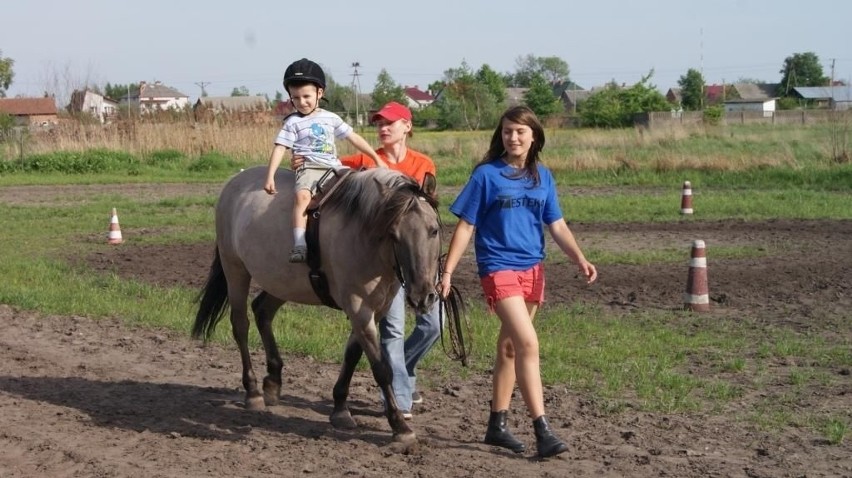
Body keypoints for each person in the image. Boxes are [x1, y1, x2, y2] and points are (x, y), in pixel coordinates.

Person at [438, 106, 598, 458]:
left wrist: (580, 258)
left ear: (534, 137)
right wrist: (447, 271)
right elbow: (466, 226)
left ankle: (497, 425)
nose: (513, 137)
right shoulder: (486, 175)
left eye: (520, 132)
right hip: (498, 268)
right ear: (501, 135)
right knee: (528, 344)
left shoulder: (543, 177)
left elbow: (556, 225)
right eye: (508, 131)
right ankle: (543, 430)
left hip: (533, 270)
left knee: (510, 348)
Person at [292, 101, 442, 419]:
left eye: (389, 122)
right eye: (378, 123)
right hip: (383, 265)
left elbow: (428, 214)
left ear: (407, 126)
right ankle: (398, 400)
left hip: (418, 263)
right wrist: (302, 160)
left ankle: (404, 371)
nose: (382, 128)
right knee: (391, 332)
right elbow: (327, 168)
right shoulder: (363, 161)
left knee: (432, 327)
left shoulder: (424, 164)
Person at [264, 58, 386, 263]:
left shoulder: (331, 118)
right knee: (302, 197)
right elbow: (280, 148)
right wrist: (270, 176)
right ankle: (300, 244)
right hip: (309, 168)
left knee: (357, 194)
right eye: (295, 98)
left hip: (334, 167)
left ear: (320, 93)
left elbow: (353, 137)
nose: (302, 102)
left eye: (306, 96)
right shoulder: (293, 123)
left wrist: (375, 157)